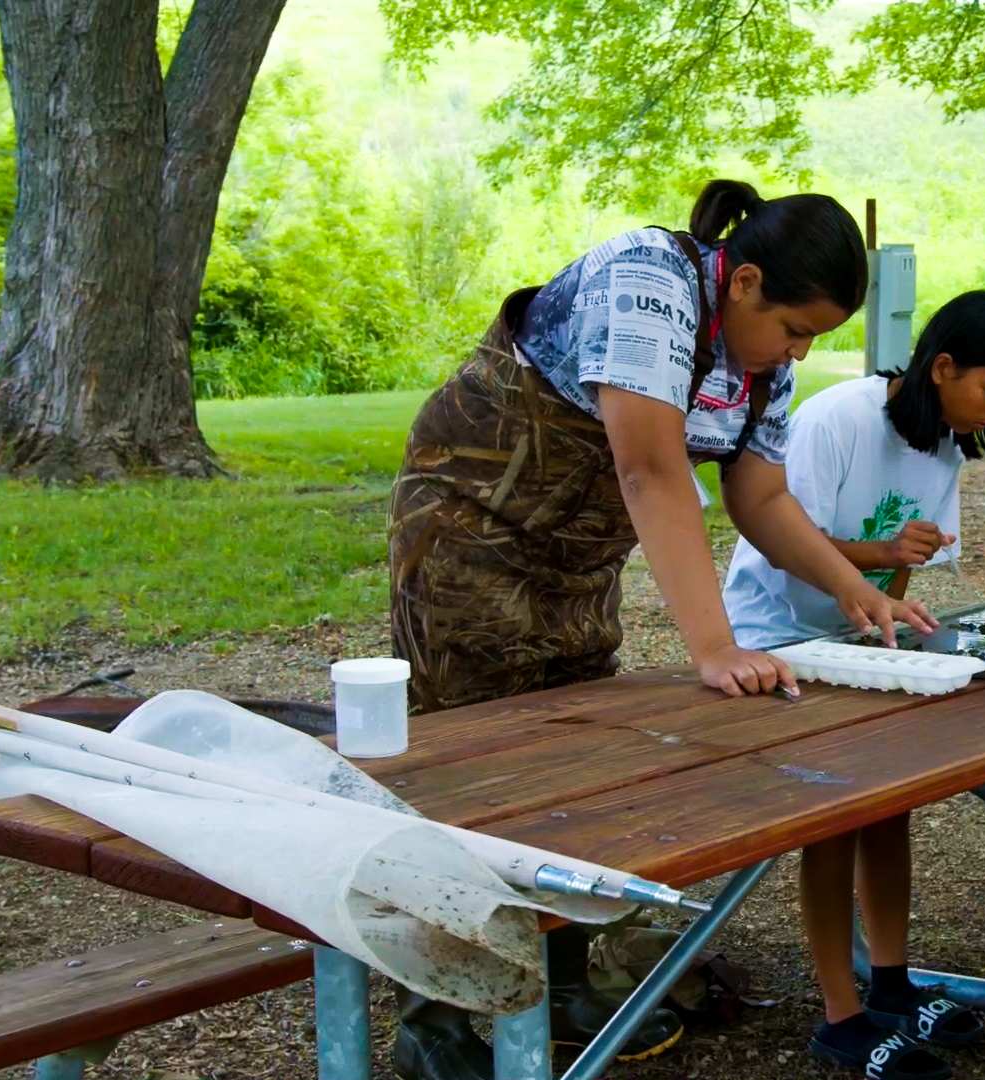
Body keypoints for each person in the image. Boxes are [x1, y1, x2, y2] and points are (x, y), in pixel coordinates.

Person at [386, 180, 936, 1080]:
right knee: (468, 776)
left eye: (813, 337)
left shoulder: (763, 364)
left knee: (570, 766)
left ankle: (558, 982)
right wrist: (714, 647)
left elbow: (761, 497)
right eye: (795, 329)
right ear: (744, 282)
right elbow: (647, 466)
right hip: (468, 533)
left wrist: (853, 588)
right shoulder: (647, 280)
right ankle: (432, 1017)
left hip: (576, 562)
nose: (800, 351)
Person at [722, 290, 985, 1080]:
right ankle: (841, 1017)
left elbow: (900, 564)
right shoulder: (838, 420)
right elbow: (787, 543)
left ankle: (890, 984)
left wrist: (892, 608)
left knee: (892, 801)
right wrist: (883, 559)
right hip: (777, 640)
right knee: (835, 816)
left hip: (853, 640)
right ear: (943, 367)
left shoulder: (941, 444)